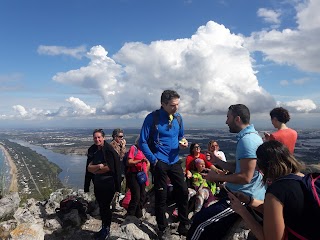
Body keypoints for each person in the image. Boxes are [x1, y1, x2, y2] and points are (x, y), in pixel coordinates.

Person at [187, 104, 266, 240]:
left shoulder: (247, 141)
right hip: (239, 193)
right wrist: (218, 162)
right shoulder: (251, 136)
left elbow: (245, 177)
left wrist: (216, 177)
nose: (226, 121)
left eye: (228, 117)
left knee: (200, 224)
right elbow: (241, 168)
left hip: (242, 197)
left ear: (237, 119)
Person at [228, 140, 319, 240]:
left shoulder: (277, 190)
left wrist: (242, 211)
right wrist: (249, 200)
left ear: (265, 166)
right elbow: (279, 213)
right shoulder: (306, 180)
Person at [139, 89, 190, 239]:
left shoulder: (178, 118)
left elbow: (181, 136)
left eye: (178, 105)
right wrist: (154, 160)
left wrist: (184, 143)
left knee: (183, 191)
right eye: (173, 105)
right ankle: (162, 228)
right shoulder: (152, 118)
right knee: (161, 195)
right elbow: (142, 141)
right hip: (159, 162)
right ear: (163, 104)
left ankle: (184, 223)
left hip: (174, 161)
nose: (176, 108)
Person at [84, 129, 121, 240]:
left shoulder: (109, 150)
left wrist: (95, 169)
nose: (97, 139)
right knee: (101, 206)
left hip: (108, 183)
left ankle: (106, 229)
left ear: (103, 138)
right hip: (98, 183)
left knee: (105, 207)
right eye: (95, 137)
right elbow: (88, 168)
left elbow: (111, 167)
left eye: (99, 137)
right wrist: (98, 167)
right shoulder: (92, 150)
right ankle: (104, 228)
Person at [126, 135, 150, 219]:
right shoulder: (134, 148)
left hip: (141, 174)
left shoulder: (144, 150)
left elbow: (147, 163)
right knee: (136, 195)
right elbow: (129, 161)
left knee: (142, 195)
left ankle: (138, 214)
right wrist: (140, 161)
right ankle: (130, 215)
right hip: (133, 174)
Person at [110, 128, 127, 211]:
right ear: (115, 136)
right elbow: (120, 158)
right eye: (120, 137)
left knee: (118, 188)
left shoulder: (119, 145)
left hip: (120, 170)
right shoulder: (113, 146)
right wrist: (123, 147)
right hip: (115, 171)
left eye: (122, 137)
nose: (121, 139)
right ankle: (113, 205)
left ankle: (114, 204)